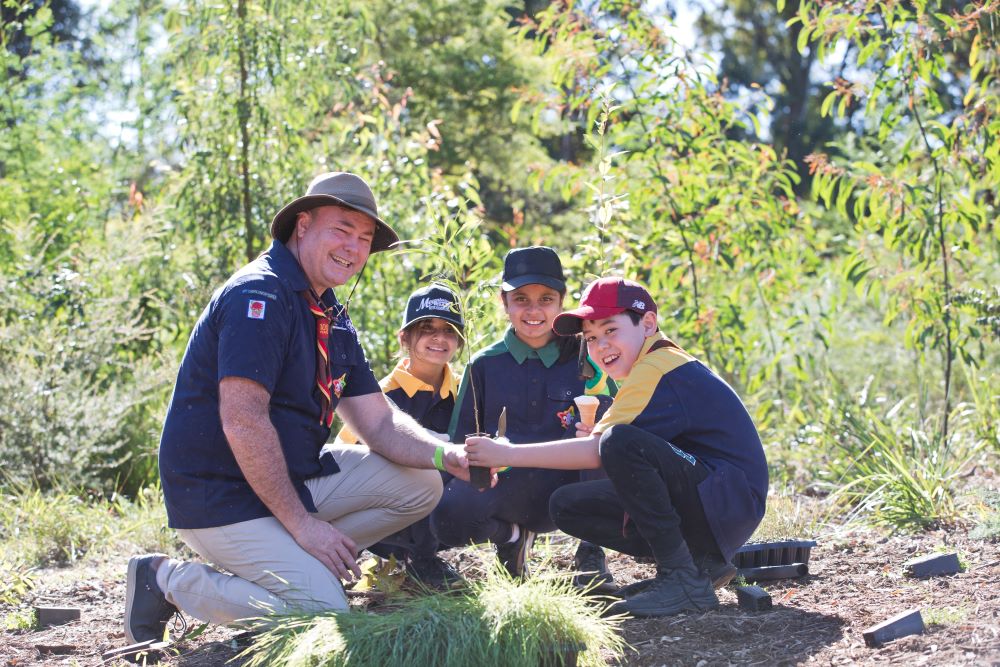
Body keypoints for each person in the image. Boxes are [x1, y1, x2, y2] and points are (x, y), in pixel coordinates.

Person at [124, 172, 469, 645]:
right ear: (302, 225)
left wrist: (447, 454)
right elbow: (243, 421)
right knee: (326, 614)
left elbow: (380, 422)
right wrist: (304, 527)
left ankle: (296, 565)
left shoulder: (330, 312)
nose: (353, 247)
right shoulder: (259, 295)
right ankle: (165, 580)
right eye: (342, 230)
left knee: (420, 483)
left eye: (365, 239)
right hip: (219, 498)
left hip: (288, 482)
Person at [465, 277, 768, 617]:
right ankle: (697, 568)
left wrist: (507, 455)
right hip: (721, 501)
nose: (601, 346)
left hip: (730, 501)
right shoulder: (651, 365)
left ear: (648, 323)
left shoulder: (657, 366)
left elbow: (601, 448)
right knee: (568, 505)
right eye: (591, 338)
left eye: (611, 330)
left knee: (617, 441)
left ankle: (681, 577)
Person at [437, 246, 616, 585]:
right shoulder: (484, 365)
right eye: (521, 299)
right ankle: (512, 541)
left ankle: (592, 550)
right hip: (504, 488)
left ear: (562, 303)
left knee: (608, 428)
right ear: (504, 304)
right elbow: (461, 444)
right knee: (447, 518)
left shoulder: (588, 357)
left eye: (546, 298)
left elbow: (623, 430)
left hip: (568, 490)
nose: (534, 310)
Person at [335, 283, 465, 589]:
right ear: (404, 337)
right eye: (426, 328)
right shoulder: (379, 396)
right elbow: (348, 457)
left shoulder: (465, 389)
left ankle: (433, 555)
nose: (439, 338)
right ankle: (419, 560)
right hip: (382, 515)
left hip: (442, 513)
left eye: (449, 330)